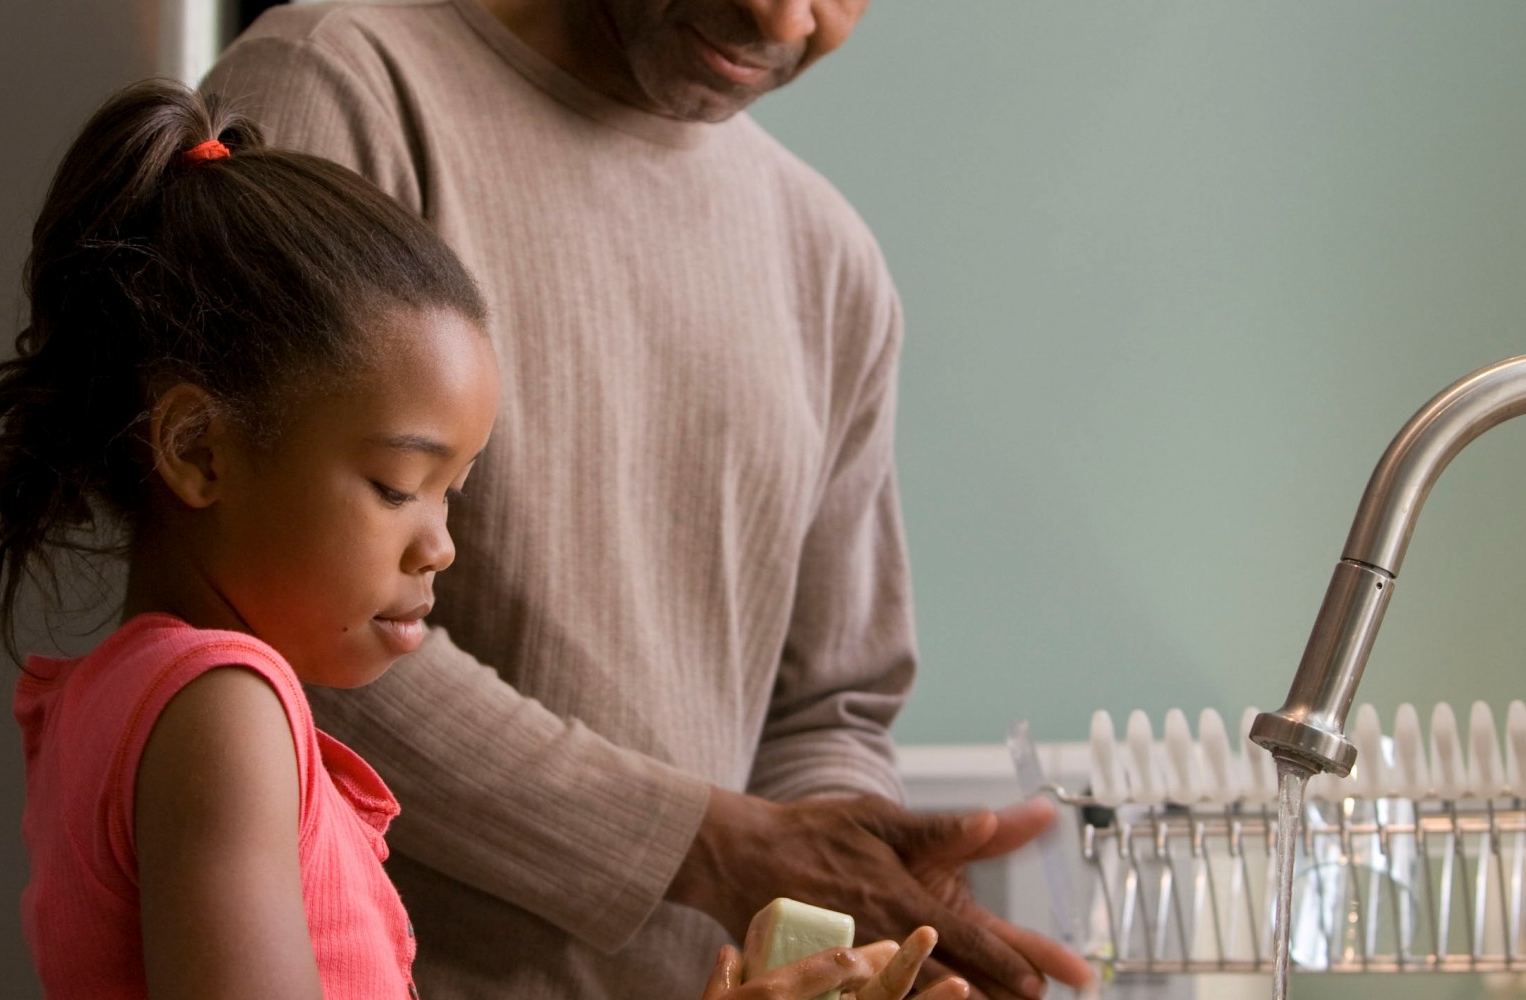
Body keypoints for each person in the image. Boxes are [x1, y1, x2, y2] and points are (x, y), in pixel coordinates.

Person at [0, 80, 967, 1000]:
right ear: (198, 451)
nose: (439, 546)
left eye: (454, 495)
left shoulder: (120, 697)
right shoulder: (224, 708)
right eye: (398, 485)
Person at [200, 3, 1097, 999]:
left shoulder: (829, 263)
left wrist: (846, 928)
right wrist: (713, 846)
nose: (780, 16)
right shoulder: (340, 88)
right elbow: (260, 609)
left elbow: (827, 708)